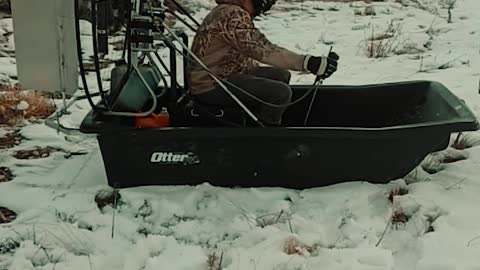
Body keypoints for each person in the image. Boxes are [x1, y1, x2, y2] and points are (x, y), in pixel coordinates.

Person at [187, 0, 339, 126]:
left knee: (281, 75)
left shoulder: (229, 10)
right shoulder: (232, 15)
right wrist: (307, 62)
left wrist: (309, 64)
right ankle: (263, 138)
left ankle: (252, 118)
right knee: (280, 93)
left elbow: (252, 50)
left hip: (223, 75)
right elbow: (262, 49)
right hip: (211, 85)